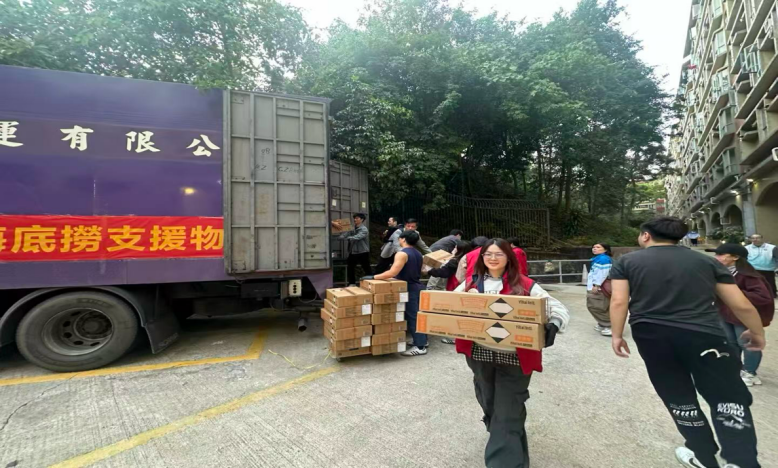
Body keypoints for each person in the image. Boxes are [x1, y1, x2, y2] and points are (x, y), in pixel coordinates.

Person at [609, 217, 766, 468]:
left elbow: (619, 301)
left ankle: (703, 455)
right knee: (727, 396)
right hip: (706, 335)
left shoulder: (627, 261)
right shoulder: (707, 261)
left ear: (646, 235)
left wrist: (617, 335)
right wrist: (757, 332)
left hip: (653, 337)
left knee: (677, 394)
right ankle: (742, 461)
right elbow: (741, 304)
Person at [454, 238, 569, 468]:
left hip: (514, 358)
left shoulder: (525, 284)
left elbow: (557, 308)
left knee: (507, 410)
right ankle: (504, 435)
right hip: (479, 354)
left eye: (499, 254)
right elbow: (448, 305)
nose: (493, 258)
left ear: (509, 258)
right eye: (488, 254)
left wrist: (554, 324)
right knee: (490, 403)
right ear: (481, 257)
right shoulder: (470, 283)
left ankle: (504, 460)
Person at [710, 243, 774, 387]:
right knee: (730, 343)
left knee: (747, 344)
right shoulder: (720, 273)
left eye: (720, 255)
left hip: (744, 317)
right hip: (725, 315)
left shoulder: (748, 276)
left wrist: (734, 294)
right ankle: (734, 369)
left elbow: (763, 297)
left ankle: (750, 372)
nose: (716, 257)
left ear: (735, 257)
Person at [372, 230, 428, 356]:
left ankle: (420, 346)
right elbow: (422, 271)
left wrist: (374, 277)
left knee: (413, 317)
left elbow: (392, 272)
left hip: (408, 288)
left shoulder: (402, 253)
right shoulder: (418, 253)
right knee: (418, 315)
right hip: (418, 286)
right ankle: (422, 340)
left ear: (403, 239)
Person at [425, 239, 472, 344]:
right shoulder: (467, 259)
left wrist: (428, 271)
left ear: (459, 250)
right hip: (464, 286)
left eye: (455, 248)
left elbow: (444, 272)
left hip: (453, 287)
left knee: (455, 313)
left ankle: (455, 337)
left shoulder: (455, 261)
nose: (453, 249)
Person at [333, 213, 371, 286]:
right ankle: (352, 283)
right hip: (353, 252)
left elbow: (357, 237)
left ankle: (371, 283)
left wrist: (347, 238)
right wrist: (340, 237)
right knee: (350, 267)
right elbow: (345, 234)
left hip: (362, 252)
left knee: (366, 268)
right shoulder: (352, 228)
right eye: (354, 218)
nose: (355, 219)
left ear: (362, 220)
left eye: (357, 218)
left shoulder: (364, 229)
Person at [586, 243, 613, 336]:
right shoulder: (599, 258)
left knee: (596, 306)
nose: (594, 249)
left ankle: (609, 325)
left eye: (598, 247)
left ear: (605, 249)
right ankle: (603, 324)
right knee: (599, 306)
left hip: (598, 288)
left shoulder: (603, 259)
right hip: (597, 287)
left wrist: (596, 285)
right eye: (593, 247)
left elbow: (602, 273)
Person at [746, 234, 777, 298]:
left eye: (757, 238)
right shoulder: (746, 248)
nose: (755, 239)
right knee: (755, 284)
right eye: (753, 238)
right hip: (753, 269)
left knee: (769, 284)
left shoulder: (772, 247)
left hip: (768, 269)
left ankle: (772, 295)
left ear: (762, 238)